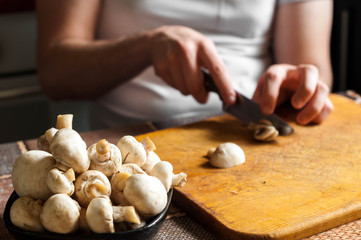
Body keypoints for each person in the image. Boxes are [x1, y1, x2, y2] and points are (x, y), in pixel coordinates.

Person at [36, 0, 334, 130]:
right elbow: (55, 72)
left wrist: (297, 86)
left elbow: (313, 66)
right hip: (128, 147)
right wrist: (145, 46)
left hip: (249, 132)